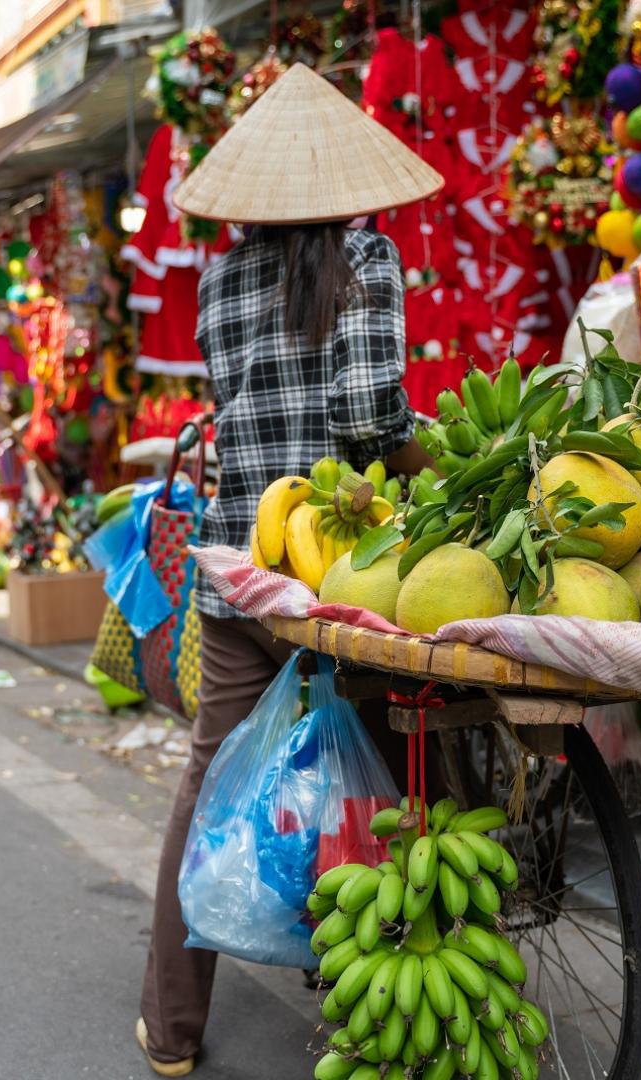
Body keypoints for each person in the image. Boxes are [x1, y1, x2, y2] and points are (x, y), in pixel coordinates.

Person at [134, 64, 441, 1077]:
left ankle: (171, 1030)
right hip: (348, 580)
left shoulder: (221, 277)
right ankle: (376, 1021)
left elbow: (242, 414)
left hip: (238, 568)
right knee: (387, 794)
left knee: (208, 777)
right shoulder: (367, 256)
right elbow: (364, 420)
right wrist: (427, 449)